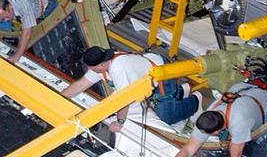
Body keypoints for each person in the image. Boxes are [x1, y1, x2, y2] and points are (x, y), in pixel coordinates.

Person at [158, 76, 267, 157]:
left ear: (217, 131)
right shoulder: (209, 116)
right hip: (244, 90)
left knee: (253, 145)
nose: (204, 136)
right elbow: (188, 149)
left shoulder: (239, 122)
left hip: (264, 102)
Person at [63, 46, 199, 133]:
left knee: (166, 117)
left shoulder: (119, 68)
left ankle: (195, 101)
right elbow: (81, 84)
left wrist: (120, 122)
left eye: (91, 68)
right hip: (146, 77)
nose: (89, 70)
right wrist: (60, 97)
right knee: (158, 106)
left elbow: (125, 99)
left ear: (101, 64)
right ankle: (179, 92)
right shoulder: (101, 65)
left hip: (161, 75)